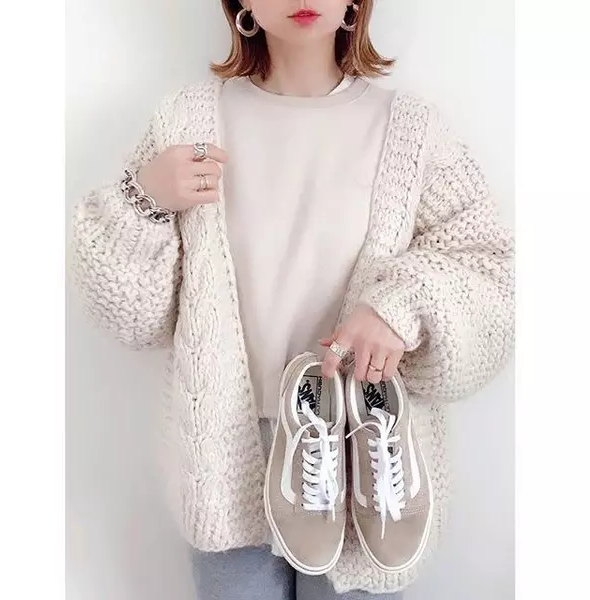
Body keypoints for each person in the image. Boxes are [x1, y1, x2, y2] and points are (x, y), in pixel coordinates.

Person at [69, 1, 515, 599]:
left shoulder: (412, 132)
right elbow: (132, 315)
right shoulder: (187, 123)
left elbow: (489, 270)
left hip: (366, 462)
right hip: (227, 449)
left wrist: (399, 309)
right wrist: (143, 197)